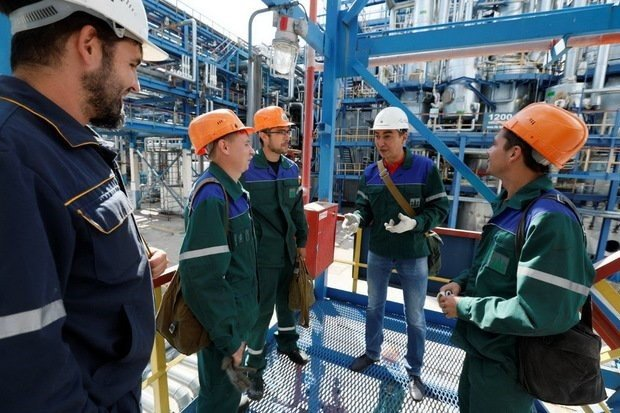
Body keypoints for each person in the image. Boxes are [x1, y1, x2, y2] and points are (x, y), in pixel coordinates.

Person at [0, 1, 169, 411]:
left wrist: (129, 265)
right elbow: (27, 371)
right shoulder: (12, 155)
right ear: (89, 44)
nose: (136, 85)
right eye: (133, 65)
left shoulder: (61, 142)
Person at [438, 103, 594, 413]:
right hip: (483, 351)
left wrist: (465, 307)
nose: (489, 150)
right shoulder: (512, 207)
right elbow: (498, 267)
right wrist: (463, 283)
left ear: (514, 153)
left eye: (495, 143)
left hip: (509, 366)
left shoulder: (550, 219)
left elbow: (540, 313)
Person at [342, 106, 449, 401]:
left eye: (387, 135)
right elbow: (364, 209)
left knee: (414, 316)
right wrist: (356, 219)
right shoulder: (370, 174)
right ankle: (371, 353)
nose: (381, 142)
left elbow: (439, 208)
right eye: (377, 136)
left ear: (404, 136)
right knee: (373, 307)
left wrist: (416, 223)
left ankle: (415, 371)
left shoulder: (425, 169)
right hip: (379, 251)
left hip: (413, 253)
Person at [181, 108, 258, 412]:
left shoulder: (232, 191)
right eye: (246, 143)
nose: (252, 150)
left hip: (236, 321)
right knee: (217, 401)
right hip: (225, 330)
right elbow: (203, 278)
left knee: (228, 395)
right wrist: (230, 340)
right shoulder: (212, 196)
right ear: (224, 146)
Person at [241, 106, 310, 401]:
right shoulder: (246, 171)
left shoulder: (290, 169)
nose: (286, 136)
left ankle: (288, 344)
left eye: (287, 131)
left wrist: (302, 241)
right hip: (260, 255)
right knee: (260, 313)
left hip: (287, 251)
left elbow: (296, 210)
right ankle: (254, 369)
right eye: (280, 132)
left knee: (287, 301)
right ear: (263, 136)